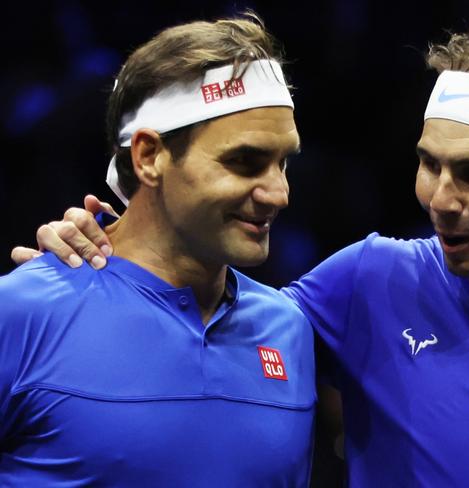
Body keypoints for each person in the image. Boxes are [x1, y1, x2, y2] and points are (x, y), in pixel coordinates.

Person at [13, 20, 469, 487]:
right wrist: (80, 259)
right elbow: (156, 297)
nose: (440, 199)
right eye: (428, 166)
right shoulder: (365, 283)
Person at [0, 15, 317, 486]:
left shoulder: (289, 328)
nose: (278, 193)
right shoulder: (21, 311)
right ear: (149, 157)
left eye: (282, 163)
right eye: (244, 162)